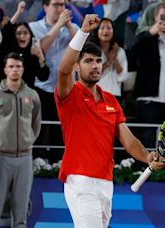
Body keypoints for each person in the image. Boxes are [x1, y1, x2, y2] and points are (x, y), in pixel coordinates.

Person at [56, 14, 165, 228]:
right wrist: (83, 32)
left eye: (98, 61)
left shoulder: (111, 101)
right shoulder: (69, 94)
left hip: (106, 182)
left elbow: (128, 139)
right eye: (88, 61)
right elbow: (63, 69)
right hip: (80, 180)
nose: (95, 65)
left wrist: (147, 156)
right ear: (77, 67)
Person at [0, 52, 41, 228]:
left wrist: (27, 142)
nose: (15, 70)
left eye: (18, 66)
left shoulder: (32, 96)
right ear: (5, 70)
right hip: (1, 158)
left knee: (21, 212)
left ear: (23, 69)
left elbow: (36, 124)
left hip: (24, 158)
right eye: (11, 66)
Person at [28, 0, 79, 121]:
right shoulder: (34, 27)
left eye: (62, 5)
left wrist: (69, 25)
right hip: (42, 87)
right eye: (56, 4)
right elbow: (42, 48)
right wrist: (59, 25)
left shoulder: (74, 28)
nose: (60, 8)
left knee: (63, 132)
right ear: (45, 7)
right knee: (42, 129)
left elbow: (82, 47)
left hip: (67, 89)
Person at [130, 2, 165, 147]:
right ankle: (142, 170)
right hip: (148, 99)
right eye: (162, 16)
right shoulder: (146, 38)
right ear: (155, 17)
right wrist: (151, 33)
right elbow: (132, 56)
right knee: (147, 141)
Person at [0, 1, 49, 89]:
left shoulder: (34, 53)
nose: (22, 36)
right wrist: (18, 12)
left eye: (25, 33)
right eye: (18, 33)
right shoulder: (7, 50)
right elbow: (6, 32)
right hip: (6, 92)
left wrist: (40, 57)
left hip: (27, 95)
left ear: (30, 36)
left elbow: (43, 77)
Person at [90, 18, 128, 101]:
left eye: (109, 28)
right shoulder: (91, 51)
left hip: (114, 95)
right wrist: (108, 61)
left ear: (113, 31)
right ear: (97, 31)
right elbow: (91, 75)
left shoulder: (120, 51)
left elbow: (123, 77)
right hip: (95, 94)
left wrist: (114, 61)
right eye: (102, 28)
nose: (105, 31)